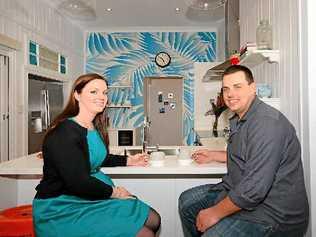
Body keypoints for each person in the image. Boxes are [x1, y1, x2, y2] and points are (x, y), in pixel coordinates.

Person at [179, 65, 309, 237]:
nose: (230, 94)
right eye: (226, 89)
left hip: (274, 213)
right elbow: (249, 156)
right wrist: (213, 155)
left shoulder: (266, 124)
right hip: (240, 192)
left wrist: (215, 213)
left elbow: (254, 189)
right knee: (187, 202)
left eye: (237, 87)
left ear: (252, 88)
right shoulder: (241, 118)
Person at [33, 73, 161, 237]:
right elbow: (78, 182)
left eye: (104, 92)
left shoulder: (93, 126)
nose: (102, 97)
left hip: (89, 197)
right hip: (62, 207)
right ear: (77, 95)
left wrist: (129, 160)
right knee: (145, 233)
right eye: (94, 92)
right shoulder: (65, 131)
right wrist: (115, 193)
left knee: (153, 219)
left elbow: (100, 157)